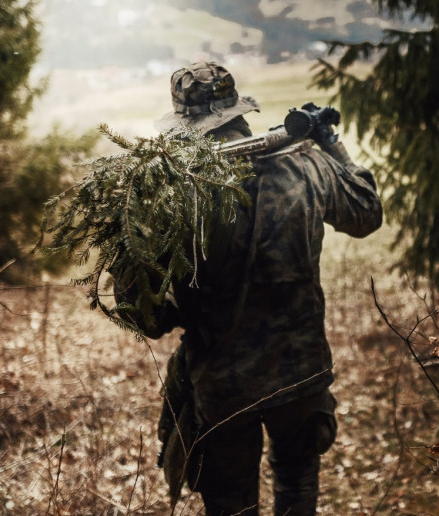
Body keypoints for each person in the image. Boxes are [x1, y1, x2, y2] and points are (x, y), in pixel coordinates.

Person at [118, 61, 383, 515]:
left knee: (232, 506)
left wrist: (133, 252)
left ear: (186, 124)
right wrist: (331, 146)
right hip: (300, 372)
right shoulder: (306, 163)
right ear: (238, 112)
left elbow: (149, 318)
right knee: (297, 485)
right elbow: (367, 212)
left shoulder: (176, 192)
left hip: (224, 387)